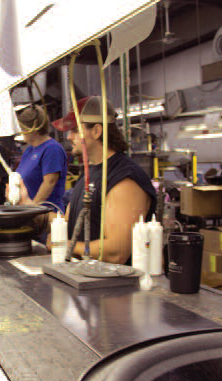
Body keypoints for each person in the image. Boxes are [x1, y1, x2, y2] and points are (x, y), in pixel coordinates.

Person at [20, 96, 156, 264]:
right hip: (83, 278)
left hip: (112, 286)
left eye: (75, 130)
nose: (69, 137)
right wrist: (26, 205)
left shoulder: (124, 179)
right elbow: (67, 224)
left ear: (96, 131)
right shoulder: (89, 173)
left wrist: (65, 245)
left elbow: (116, 252)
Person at [14, 105, 67, 212]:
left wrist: (33, 208)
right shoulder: (29, 150)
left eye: (23, 128)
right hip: (29, 212)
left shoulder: (52, 149)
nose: (21, 131)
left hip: (47, 214)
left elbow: (49, 182)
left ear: (33, 129)